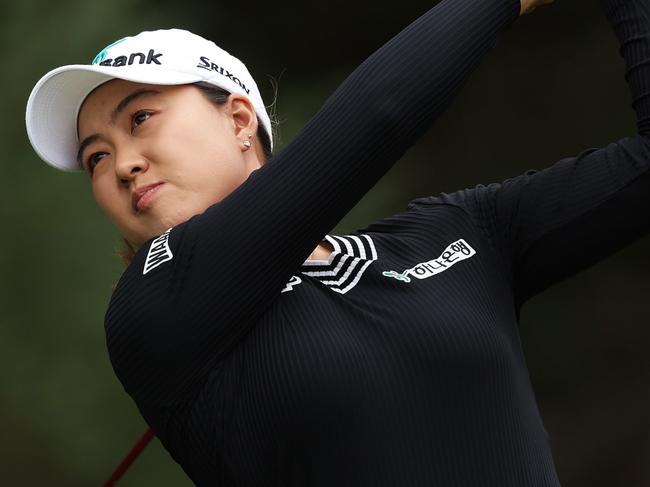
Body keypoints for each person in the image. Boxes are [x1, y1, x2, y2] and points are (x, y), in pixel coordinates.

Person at [25, 0, 650, 485]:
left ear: (240, 120)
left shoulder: (457, 231)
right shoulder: (152, 311)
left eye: (140, 118)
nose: (122, 165)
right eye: (96, 158)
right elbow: (378, 114)